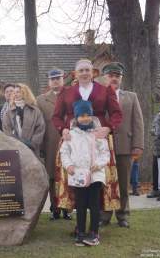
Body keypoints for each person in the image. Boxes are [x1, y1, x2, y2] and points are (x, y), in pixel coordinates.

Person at [52, 59, 122, 227]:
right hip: (73, 140)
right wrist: (62, 129)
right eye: (81, 70)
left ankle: (95, 225)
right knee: (76, 181)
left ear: (93, 73)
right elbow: (56, 116)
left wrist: (109, 128)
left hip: (98, 140)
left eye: (87, 70)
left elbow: (116, 113)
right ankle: (80, 223)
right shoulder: (66, 92)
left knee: (97, 180)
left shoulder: (106, 91)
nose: (84, 73)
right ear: (75, 74)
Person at [60, 100, 110, 247]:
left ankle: (94, 232)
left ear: (92, 116)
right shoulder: (71, 135)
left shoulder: (98, 134)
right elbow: (64, 152)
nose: (85, 118)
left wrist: (99, 164)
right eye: (81, 116)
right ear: (76, 118)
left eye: (88, 115)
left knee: (94, 204)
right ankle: (80, 232)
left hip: (95, 175)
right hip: (78, 176)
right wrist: (68, 165)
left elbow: (105, 153)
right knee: (80, 204)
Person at [100, 62, 144, 228]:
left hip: (125, 146)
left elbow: (138, 122)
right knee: (104, 183)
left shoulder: (131, 97)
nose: (114, 79)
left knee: (124, 184)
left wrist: (138, 145)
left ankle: (122, 215)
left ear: (121, 78)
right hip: (103, 147)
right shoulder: (98, 96)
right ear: (105, 77)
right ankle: (104, 215)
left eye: (117, 76)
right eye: (111, 76)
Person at [37, 68, 71, 220]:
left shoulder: (72, 95)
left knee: (69, 175)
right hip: (50, 144)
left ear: (63, 79)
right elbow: (39, 125)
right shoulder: (41, 100)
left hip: (71, 142)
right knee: (52, 177)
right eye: (53, 79)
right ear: (49, 82)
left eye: (58, 78)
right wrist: (41, 147)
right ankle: (55, 208)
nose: (56, 81)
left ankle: (68, 208)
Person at [2, 83, 45, 158]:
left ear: (25, 93)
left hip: (32, 149)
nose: (15, 94)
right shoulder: (8, 112)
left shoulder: (35, 111)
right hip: (15, 150)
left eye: (18, 92)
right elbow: (6, 130)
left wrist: (32, 144)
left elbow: (40, 128)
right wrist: (17, 143)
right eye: (14, 93)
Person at [147, 99, 160, 198]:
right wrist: (156, 132)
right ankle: (156, 190)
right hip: (158, 147)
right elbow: (152, 130)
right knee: (156, 168)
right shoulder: (158, 116)